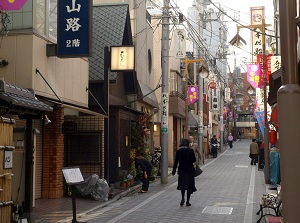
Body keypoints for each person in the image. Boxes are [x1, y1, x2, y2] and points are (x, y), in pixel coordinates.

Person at [172, 138, 197, 207]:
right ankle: (187, 202)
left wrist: (173, 171)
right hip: (189, 171)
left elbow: (176, 162)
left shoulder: (178, 151)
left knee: (182, 186)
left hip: (182, 170)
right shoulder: (190, 151)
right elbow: (194, 160)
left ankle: (182, 198)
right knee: (189, 186)